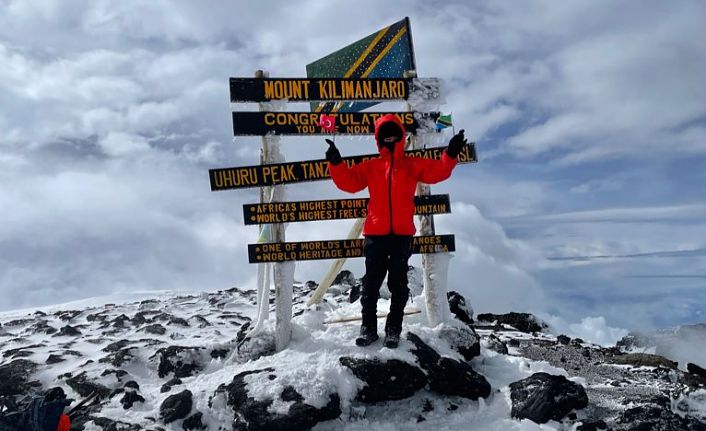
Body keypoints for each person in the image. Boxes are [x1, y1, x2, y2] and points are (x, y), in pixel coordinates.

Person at [325, 113, 466, 348]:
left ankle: (393, 330)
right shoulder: (372, 166)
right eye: (385, 135)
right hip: (374, 236)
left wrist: (450, 154)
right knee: (370, 285)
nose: (390, 138)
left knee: (398, 286)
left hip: (401, 235)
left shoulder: (411, 165)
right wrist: (336, 163)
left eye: (394, 134)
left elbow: (438, 171)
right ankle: (368, 329)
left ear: (400, 137)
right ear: (379, 139)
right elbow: (348, 182)